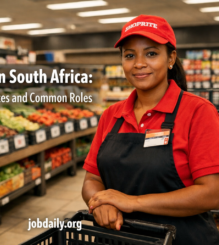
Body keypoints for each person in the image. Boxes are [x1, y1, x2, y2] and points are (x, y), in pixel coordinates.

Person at [82, 15, 219, 245]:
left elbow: (212, 193)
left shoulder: (198, 111)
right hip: (119, 238)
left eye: (151, 53)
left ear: (171, 58)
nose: (139, 63)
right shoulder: (111, 115)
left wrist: (132, 202)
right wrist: (101, 203)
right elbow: (92, 179)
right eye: (129, 55)